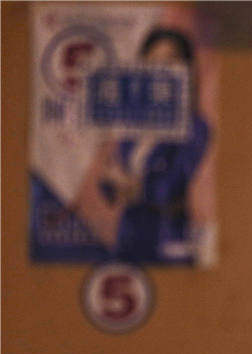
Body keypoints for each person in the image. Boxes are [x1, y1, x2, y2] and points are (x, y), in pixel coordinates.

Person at [74, 28, 210, 263]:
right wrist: (109, 177)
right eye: (153, 64)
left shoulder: (196, 126)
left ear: (186, 69)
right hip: (130, 238)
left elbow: (169, 187)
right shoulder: (134, 125)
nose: (160, 73)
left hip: (168, 239)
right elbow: (109, 190)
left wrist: (130, 185)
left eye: (169, 63)